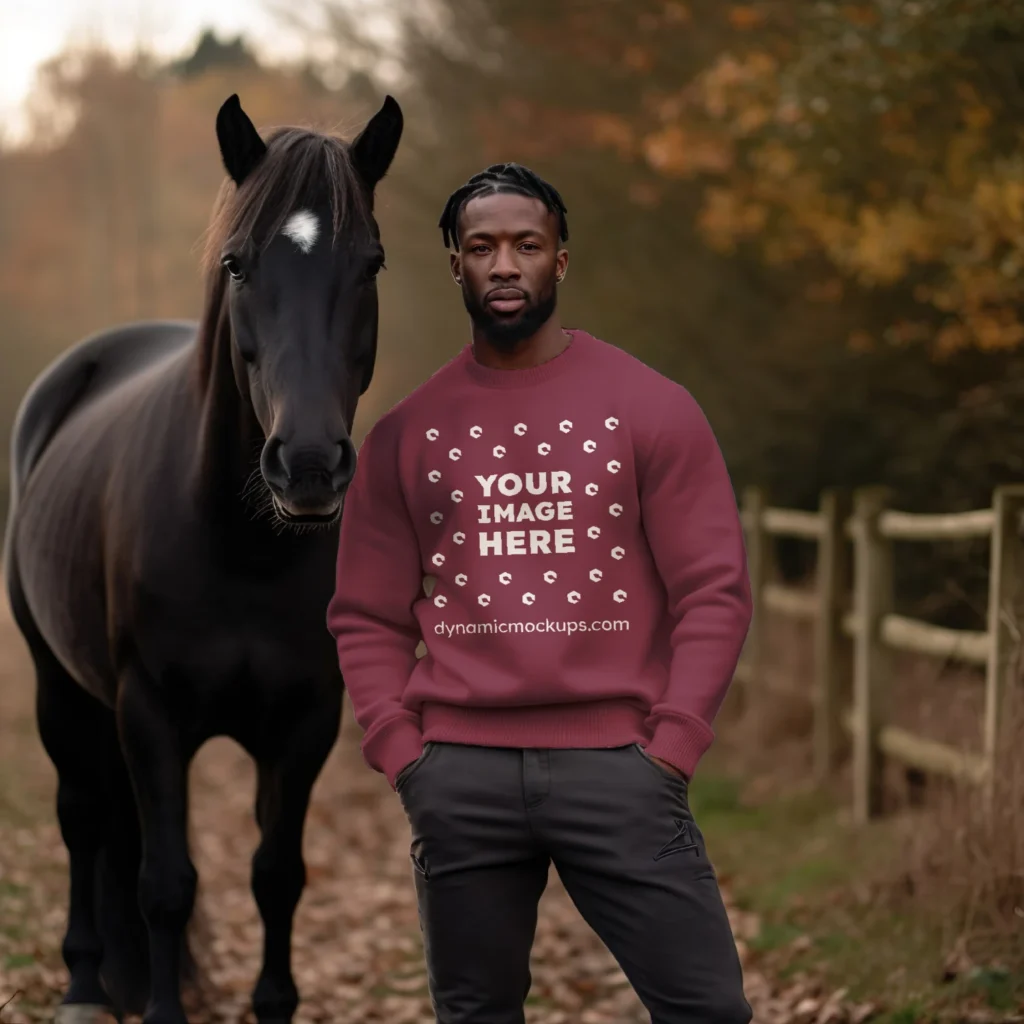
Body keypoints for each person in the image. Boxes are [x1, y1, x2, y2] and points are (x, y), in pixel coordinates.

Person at [327, 162, 754, 1024]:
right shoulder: (407, 435)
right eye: (482, 248)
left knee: (710, 1012)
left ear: (562, 260)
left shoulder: (651, 408)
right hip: (460, 779)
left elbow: (713, 590)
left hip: (623, 772)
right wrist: (404, 754)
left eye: (528, 245)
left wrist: (673, 745)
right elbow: (366, 616)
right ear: (455, 263)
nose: (506, 265)